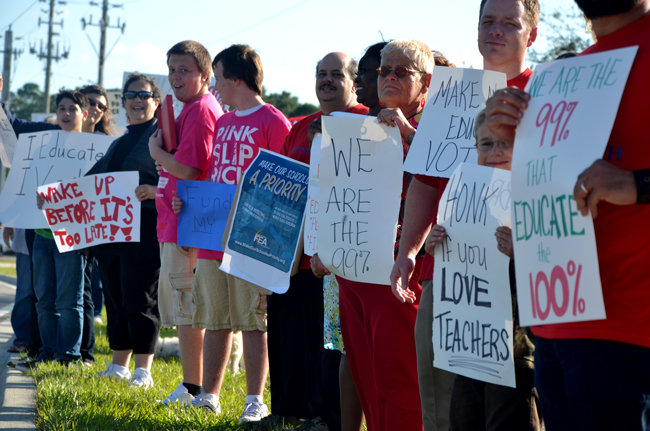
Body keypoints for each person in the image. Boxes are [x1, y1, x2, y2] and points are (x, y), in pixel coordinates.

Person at [484, 0, 650, 429]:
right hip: (557, 326)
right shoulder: (562, 77)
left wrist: (639, 184)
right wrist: (516, 138)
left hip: (632, 333)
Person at [389, 3, 539, 430]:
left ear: (531, 35)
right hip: (452, 268)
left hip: (519, 274)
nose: (496, 31)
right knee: (449, 404)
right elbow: (425, 180)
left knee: (514, 398)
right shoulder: (452, 92)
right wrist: (409, 252)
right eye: (488, 21)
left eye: (510, 23)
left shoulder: (546, 93)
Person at [312, 40, 433, 431]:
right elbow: (335, 195)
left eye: (402, 71)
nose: (390, 77)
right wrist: (324, 248)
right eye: (384, 71)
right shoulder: (359, 126)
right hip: (354, 274)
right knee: (369, 379)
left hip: (398, 274)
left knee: (400, 381)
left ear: (425, 82)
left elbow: (446, 178)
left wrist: (411, 134)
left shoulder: (436, 125)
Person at [171, 44, 291, 421]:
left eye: (219, 78)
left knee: (253, 320)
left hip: (252, 239)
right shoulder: (222, 122)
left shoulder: (273, 121)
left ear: (236, 79)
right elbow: (211, 176)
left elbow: (286, 183)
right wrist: (188, 205)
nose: (215, 87)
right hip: (212, 239)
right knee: (216, 317)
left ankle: (255, 399)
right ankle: (210, 394)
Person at [263, 52, 368, 431]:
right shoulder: (300, 125)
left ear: (353, 82)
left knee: (328, 345)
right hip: (293, 254)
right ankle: (286, 409)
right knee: (287, 334)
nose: (327, 80)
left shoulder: (367, 120)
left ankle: (327, 418)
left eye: (336, 74)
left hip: (337, 254)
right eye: (321, 74)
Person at [425, 110, 542, 431]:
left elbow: (556, 262)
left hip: (518, 350)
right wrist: (436, 243)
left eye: (505, 143)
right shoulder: (465, 194)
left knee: (510, 420)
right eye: (486, 144)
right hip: (471, 345)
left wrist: (523, 252)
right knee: (464, 419)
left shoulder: (537, 194)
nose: (495, 152)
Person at [317, 42, 386, 431]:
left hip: (392, 259)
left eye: (373, 73)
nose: (364, 81)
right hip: (346, 255)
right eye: (365, 73)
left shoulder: (405, 129)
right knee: (348, 347)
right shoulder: (345, 130)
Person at [149, 40, 223, 400]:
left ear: (205, 75)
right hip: (175, 221)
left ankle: (194, 385)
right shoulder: (186, 108)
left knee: (186, 306)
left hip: (187, 225)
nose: (175, 76)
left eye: (184, 70)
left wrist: (157, 152)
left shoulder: (200, 109)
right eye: (172, 69)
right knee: (182, 307)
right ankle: (191, 381)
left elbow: (193, 170)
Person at [91, 73, 163, 388]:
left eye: (144, 95)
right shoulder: (118, 142)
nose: (137, 100)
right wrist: (50, 197)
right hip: (111, 228)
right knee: (115, 297)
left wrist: (154, 188)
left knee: (140, 296)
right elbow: (89, 184)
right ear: (122, 102)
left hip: (146, 225)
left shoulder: (163, 138)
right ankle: (119, 364)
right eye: (131, 95)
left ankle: (143, 370)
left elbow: (181, 179)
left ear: (156, 102)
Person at [14, 89, 89, 371]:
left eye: (72, 109)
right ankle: (47, 353)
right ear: (56, 114)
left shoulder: (94, 149)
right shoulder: (42, 147)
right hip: (42, 235)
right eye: (62, 109)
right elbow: (23, 181)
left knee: (68, 300)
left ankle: (69, 357)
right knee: (44, 301)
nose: (67, 114)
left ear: (84, 113)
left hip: (72, 236)